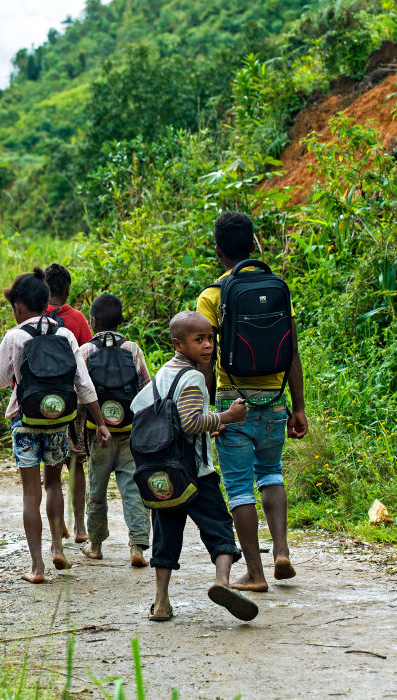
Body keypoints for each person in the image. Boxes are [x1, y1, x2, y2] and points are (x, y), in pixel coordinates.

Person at [196, 211, 308, 592]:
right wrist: (299, 407)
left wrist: (212, 413)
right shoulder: (278, 287)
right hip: (276, 402)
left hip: (234, 403)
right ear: (253, 244)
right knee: (272, 472)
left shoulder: (212, 296)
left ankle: (255, 574)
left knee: (241, 487)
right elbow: (292, 351)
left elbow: (205, 359)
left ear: (218, 250)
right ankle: (282, 551)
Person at [134, 311, 256, 622]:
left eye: (210, 339)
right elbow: (188, 422)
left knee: (166, 536)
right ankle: (222, 582)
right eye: (198, 340)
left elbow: (141, 409)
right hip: (197, 472)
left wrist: (206, 425)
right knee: (218, 528)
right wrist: (226, 417)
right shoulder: (193, 377)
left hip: (163, 474)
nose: (208, 345)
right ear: (178, 343)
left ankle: (160, 602)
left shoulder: (161, 374)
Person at [0, 268, 111, 584]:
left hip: (25, 422)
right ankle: (59, 547)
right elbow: (84, 385)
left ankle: (37, 566)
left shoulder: (15, 336)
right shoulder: (65, 335)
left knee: (30, 494)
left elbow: (2, 380)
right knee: (54, 483)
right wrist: (100, 424)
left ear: (19, 306)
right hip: (58, 423)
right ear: (46, 301)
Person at [78, 293, 152, 567]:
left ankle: (95, 544)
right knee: (133, 488)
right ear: (121, 321)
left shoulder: (85, 351)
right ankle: (138, 546)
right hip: (130, 431)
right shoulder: (132, 349)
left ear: (93, 320)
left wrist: (77, 435)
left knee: (96, 487)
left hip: (98, 434)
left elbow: (81, 393)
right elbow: (146, 388)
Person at [44, 263, 93, 544]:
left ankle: (58, 523)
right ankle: (79, 527)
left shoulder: (35, 318)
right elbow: (87, 358)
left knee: (51, 467)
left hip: (43, 406)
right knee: (76, 463)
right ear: (68, 289)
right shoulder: (76, 319)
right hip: (74, 402)